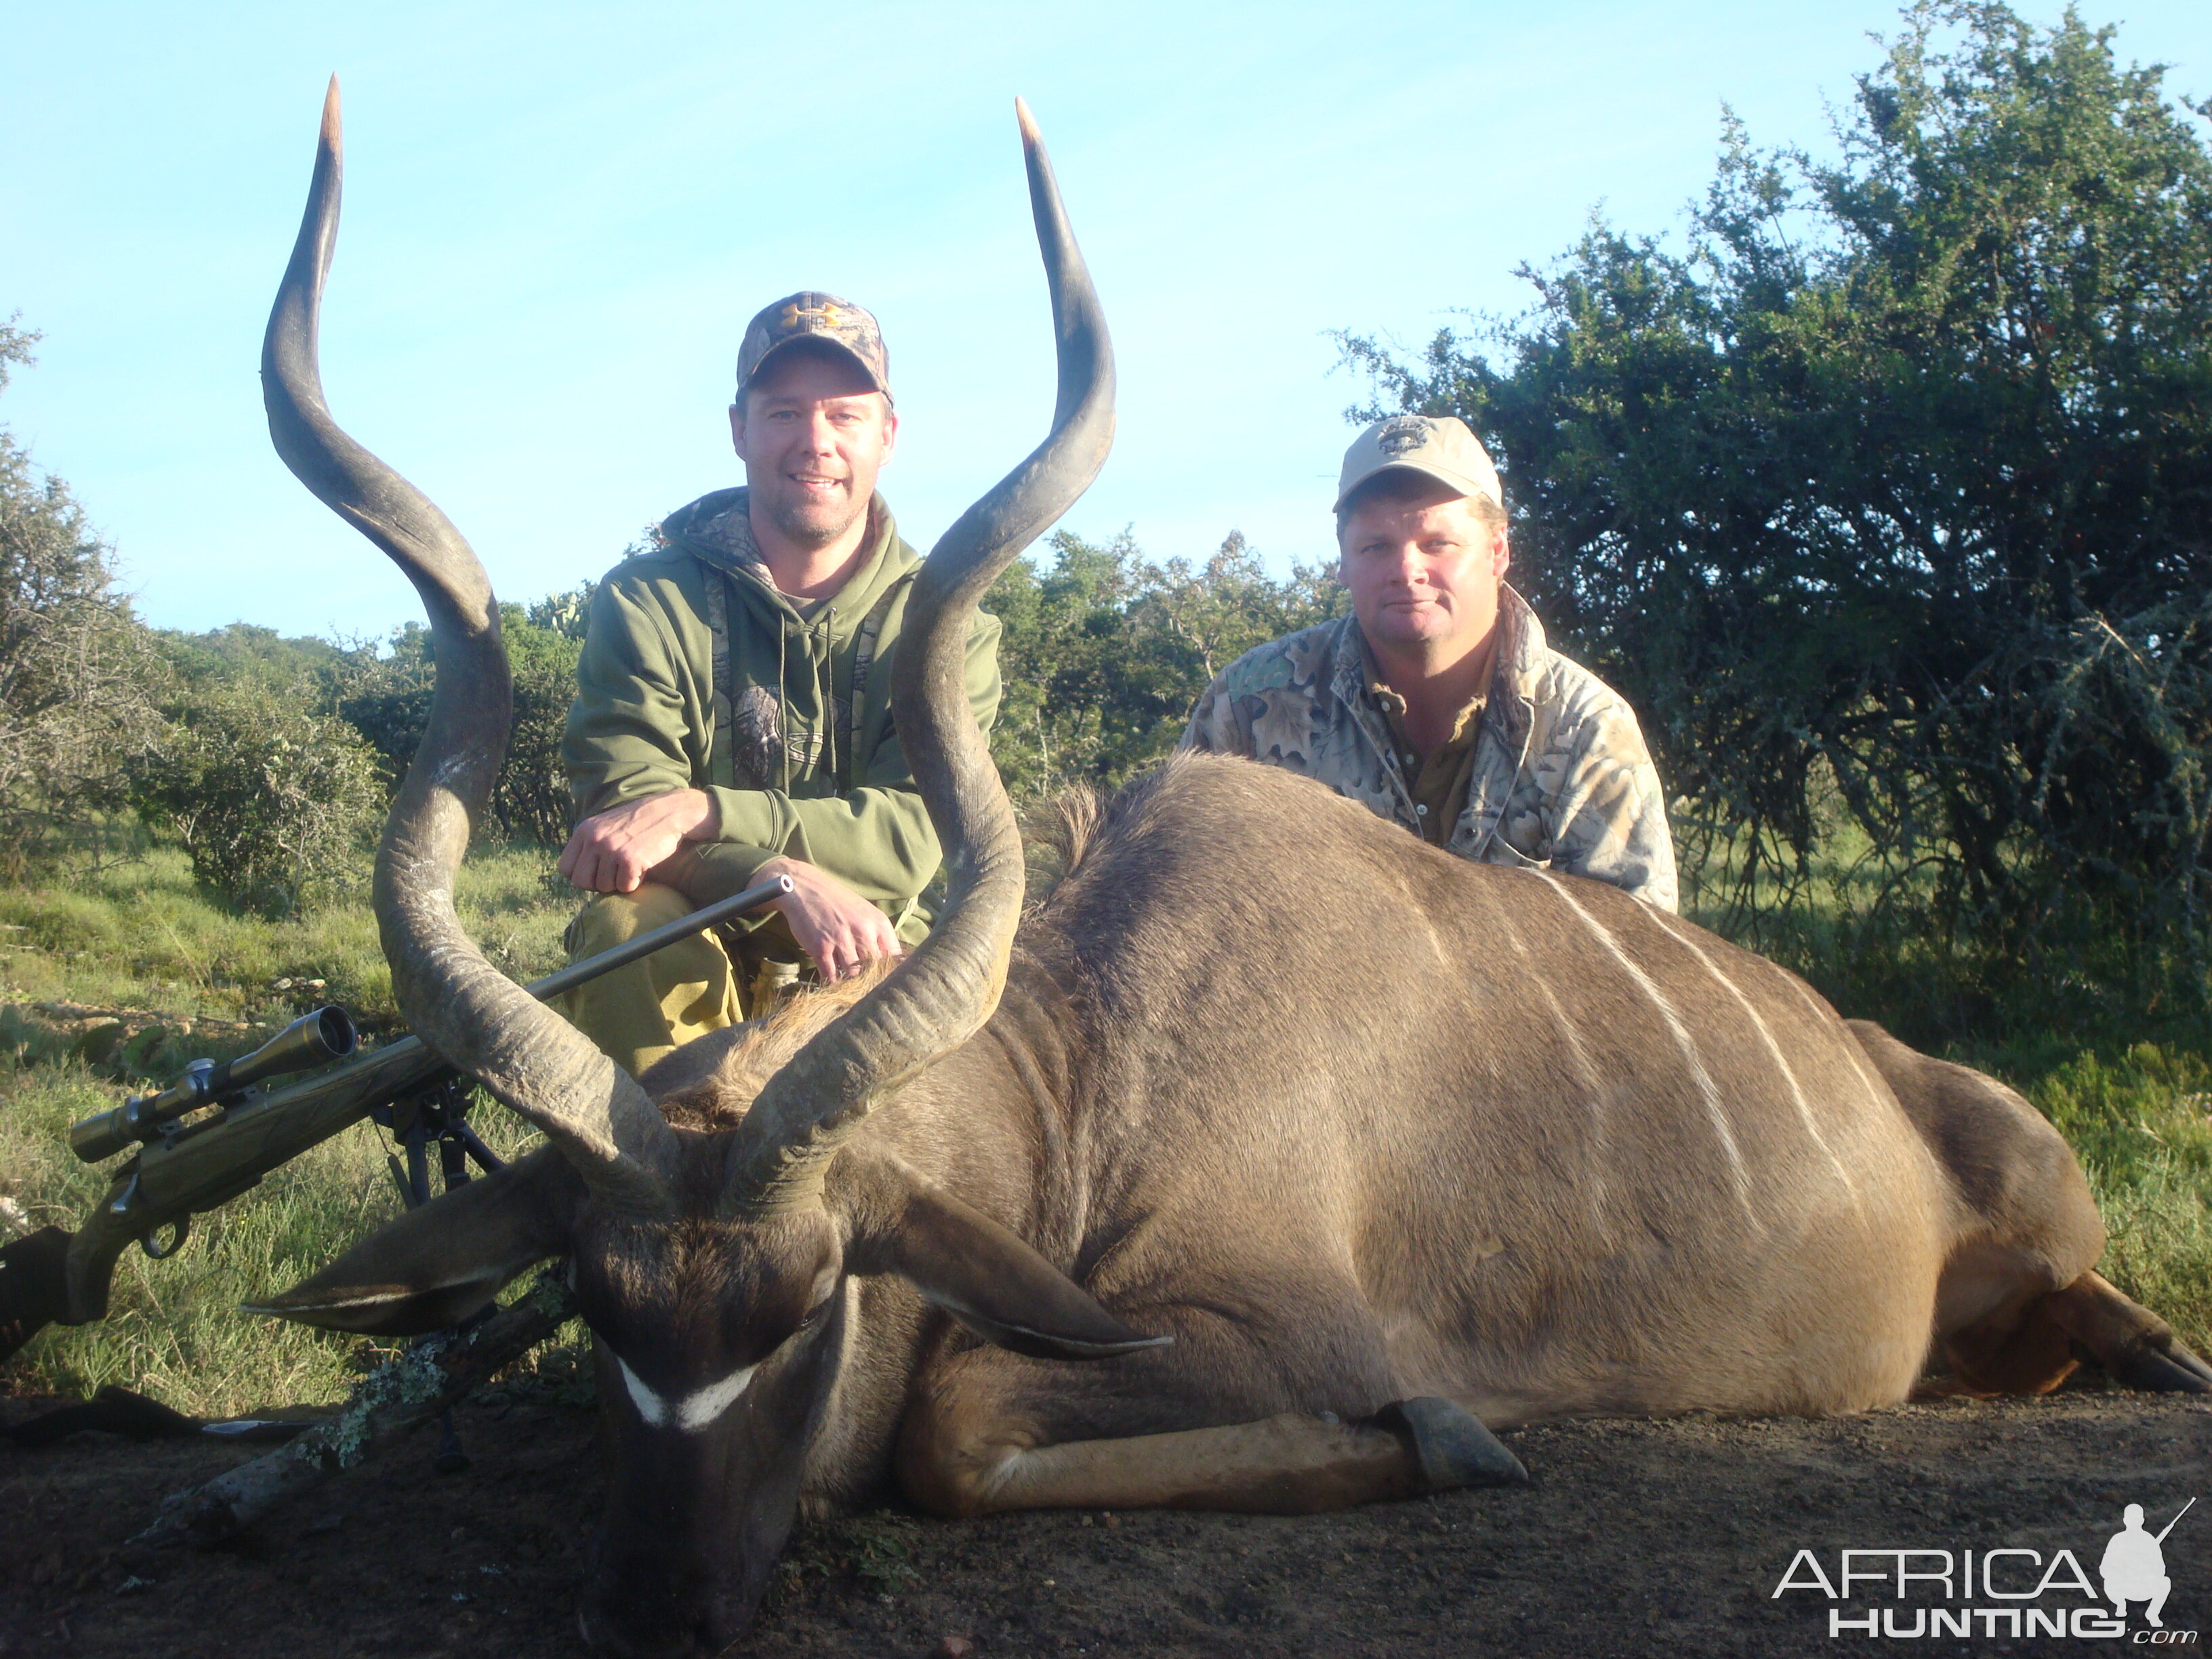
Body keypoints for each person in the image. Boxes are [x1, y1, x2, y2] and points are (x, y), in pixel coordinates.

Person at [556, 293, 1002, 1077]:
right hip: (695, 937)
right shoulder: (646, 600)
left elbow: (907, 842)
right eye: (785, 414)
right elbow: (623, 830)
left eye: (845, 417)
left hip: (870, 944)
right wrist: (778, 879)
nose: (816, 442)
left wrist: (702, 811)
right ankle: (669, 1182)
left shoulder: (946, 624)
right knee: (625, 928)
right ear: (740, 430)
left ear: (887, 437)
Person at [1181, 414, 1675, 908]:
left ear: (1498, 550)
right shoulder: (1247, 705)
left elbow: (1640, 955)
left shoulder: (1587, 728)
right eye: (1376, 547)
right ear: (1343, 563)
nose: (1405, 570)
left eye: (1438, 544)